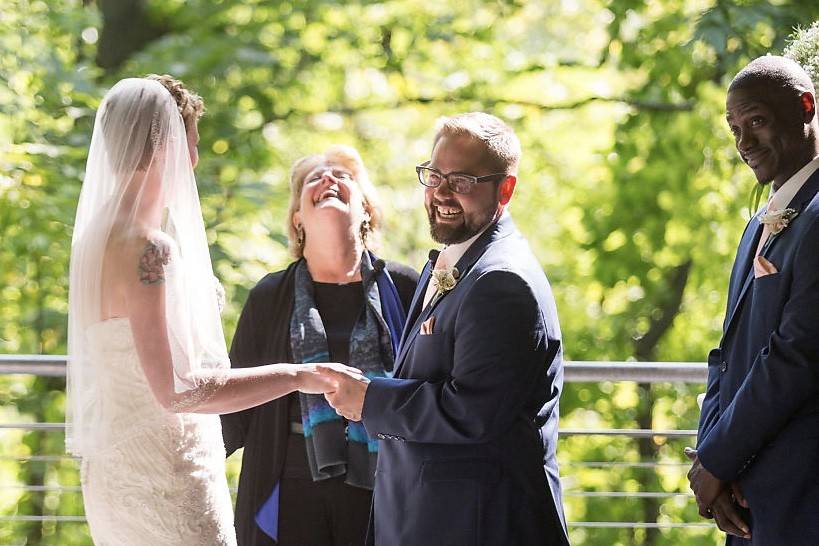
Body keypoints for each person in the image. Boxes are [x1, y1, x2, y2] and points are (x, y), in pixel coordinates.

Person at [66, 77, 341, 546]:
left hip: (117, 472)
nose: (193, 161)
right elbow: (177, 389)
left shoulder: (93, 238)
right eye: (190, 145)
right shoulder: (147, 246)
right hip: (165, 477)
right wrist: (297, 375)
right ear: (165, 146)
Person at [321, 112, 570, 546]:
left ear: (504, 189)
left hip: (476, 525)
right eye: (434, 175)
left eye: (462, 181)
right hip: (429, 517)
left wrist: (370, 399)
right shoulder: (458, 260)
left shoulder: (502, 281)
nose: (440, 193)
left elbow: (473, 413)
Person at [220, 145, 418, 546]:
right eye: (315, 178)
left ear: (367, 210)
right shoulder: (269, 295)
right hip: (287, 484)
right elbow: (233, 409)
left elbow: (427, 389)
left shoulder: (407, 288)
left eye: (343, 176)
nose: (329, 179)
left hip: (387, 486)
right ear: (297, 219)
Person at [688, 56, 819, 544]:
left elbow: (796, 355)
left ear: (805, 106)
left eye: (757, 121)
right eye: (733, 127)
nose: (743, 142)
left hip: (801, 491)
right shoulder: (757, 226)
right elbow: (726, 352)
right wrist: (709, 458)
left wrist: (719, 460)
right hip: (746, 493)